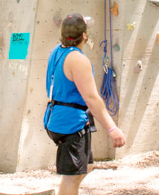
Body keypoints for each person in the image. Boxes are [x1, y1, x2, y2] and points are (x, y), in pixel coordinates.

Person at [44, 13, 126, 195]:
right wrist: (112, 129)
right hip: (71, 124)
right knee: (72, 178)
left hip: (57, 117)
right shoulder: (78, 60)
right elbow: (92, 98)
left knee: (85, 168)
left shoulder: (57, 51)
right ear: (85, 36)